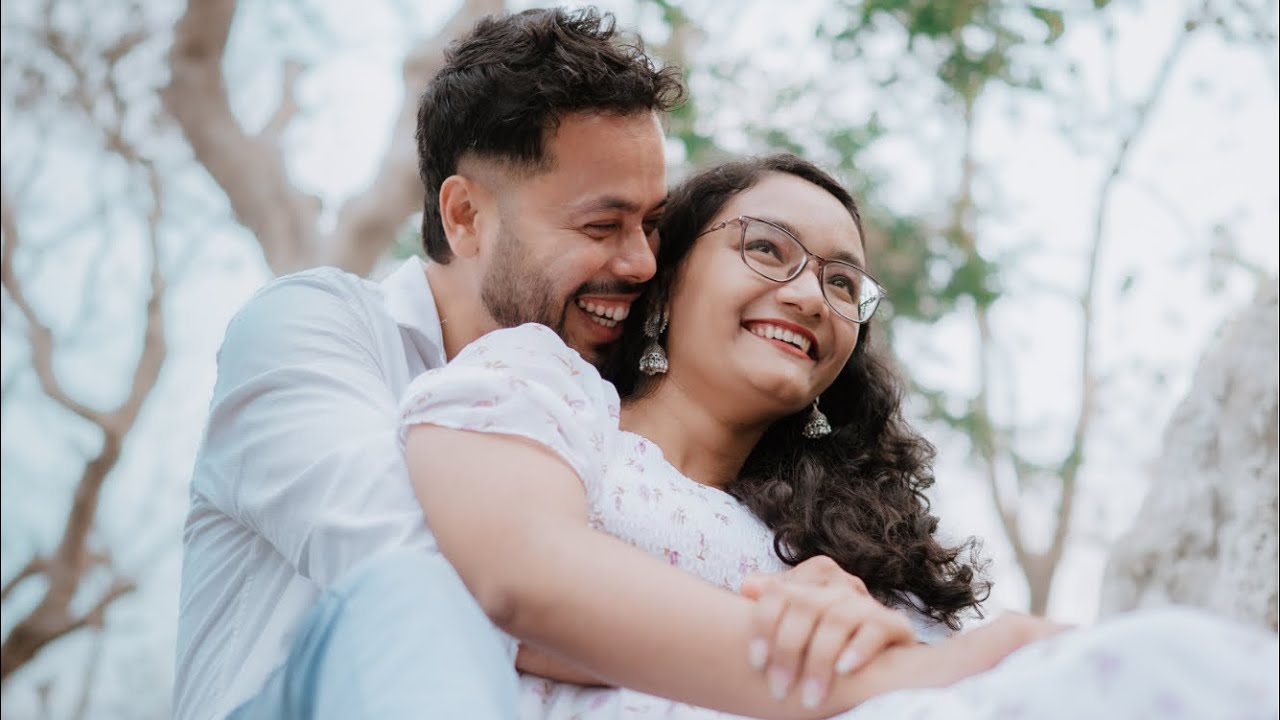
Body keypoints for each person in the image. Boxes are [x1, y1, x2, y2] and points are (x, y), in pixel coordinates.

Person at [401, 154, 1280, 719]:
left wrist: (870, 630)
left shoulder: (831, 563)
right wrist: (879, 668)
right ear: (664, 283)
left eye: (841, 282)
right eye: (767, 250)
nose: (810, 294)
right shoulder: (536, 391)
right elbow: (499, 595)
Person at [173, 8, 686, 718]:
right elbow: (450, 575)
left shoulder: (608, 402)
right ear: (466, 216)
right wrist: (746, 641)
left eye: (651, 224)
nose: (640, 262)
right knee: (417, 593)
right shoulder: (315, 328)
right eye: (602, 225)